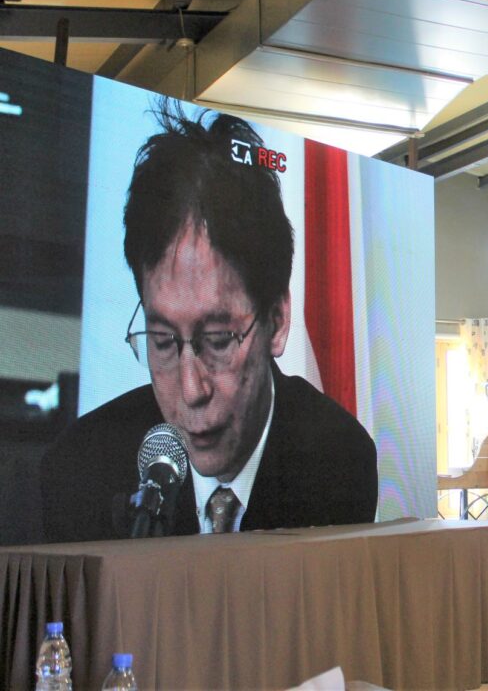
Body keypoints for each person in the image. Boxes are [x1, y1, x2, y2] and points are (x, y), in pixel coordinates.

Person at [41, 102, 378, 543]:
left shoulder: (336, 458)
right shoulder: (81, 467)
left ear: (276, 321)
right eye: (162, 341)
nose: (190, 390)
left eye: (218, 340)